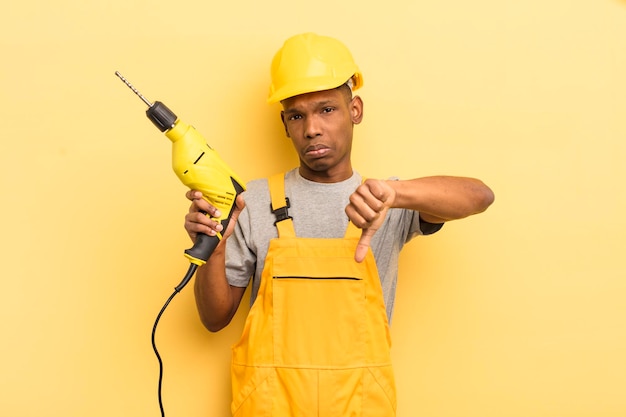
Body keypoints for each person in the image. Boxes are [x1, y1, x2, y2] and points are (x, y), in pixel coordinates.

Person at [184, 33, 494, 417]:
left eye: (326, 109)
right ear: (285, 124)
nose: (312, 128)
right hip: (270, 406)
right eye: (297, 115)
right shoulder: (254, 202)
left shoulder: (386, 202)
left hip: (358, 405)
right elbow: (214, 319)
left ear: (356, 110)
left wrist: (397, 194)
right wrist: (213, 248)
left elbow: (479, 196)